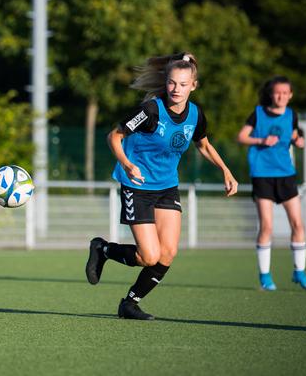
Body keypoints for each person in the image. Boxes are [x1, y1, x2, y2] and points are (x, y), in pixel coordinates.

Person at [85, 52, 238, 320]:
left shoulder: (195, 114)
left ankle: (129, 304)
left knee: (167, 253)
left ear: (193, 85)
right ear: (165, 83)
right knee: (149, 255)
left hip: (167, 186)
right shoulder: (150, 111)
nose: (176, 89)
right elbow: (114, 136)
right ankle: (103, 249)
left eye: (182, 84)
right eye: (171, 83)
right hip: (137, 185)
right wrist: (128, 164)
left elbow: (203, 144)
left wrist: (226, 170)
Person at [237, 76, 306, 291]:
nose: (280, 96)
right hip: (262, 174)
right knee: (267, 226)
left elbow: (296, 136)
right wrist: (261, 140)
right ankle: (265, 276)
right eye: (277, 92)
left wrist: (299, 141)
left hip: (286, 174)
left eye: (284, 93)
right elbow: (241, 137)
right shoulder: (258, 114)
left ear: (290, 95)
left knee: (298, 224)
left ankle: (299, 272)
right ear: (271, 94)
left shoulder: (292, 115)